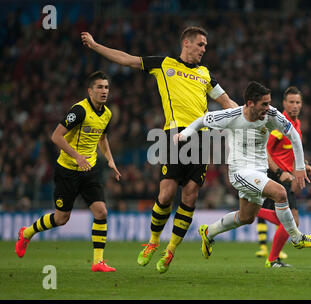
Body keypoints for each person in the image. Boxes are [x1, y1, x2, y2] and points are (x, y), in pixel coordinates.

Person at [81, 26, 238, 273]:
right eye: (200, 45)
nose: (204, 49)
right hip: (174, 135)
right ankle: (153, 242)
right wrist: (96, 45)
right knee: (165, 195)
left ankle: (171, 250)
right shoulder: (164, 64)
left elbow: (228, 103)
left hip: (202, 137)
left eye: (205, 46)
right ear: (186, 43)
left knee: (191, 194)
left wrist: (251, 118)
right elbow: (127, 59)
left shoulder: (205, 74)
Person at [174, 81, 311, 262]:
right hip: (240, 172)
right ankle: (297, 238)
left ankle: (208, 231)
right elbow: (201, 121)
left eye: (269, 103)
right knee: (280, 193)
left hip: (259, 171)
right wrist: (184, 134)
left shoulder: (271, 115)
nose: (268, 108)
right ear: (250, 103)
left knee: (246, 217)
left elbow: (293, 135)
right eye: (264, 104)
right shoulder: (232, 116)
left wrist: (300, 167)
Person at [15, 71, 121, 272]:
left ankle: (98, 262)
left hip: (89, 170)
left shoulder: (107, 113)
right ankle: (27, 233)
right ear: (90, 91)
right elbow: (56, 136)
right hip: (68, 171)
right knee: (62, 218)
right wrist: (77, 156)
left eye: (106, 87)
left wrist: (110, 160)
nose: (104, 91)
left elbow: (102, 138)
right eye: (99, 87)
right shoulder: (79, 111)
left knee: (101, 212)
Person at [256, 86, 311, 268]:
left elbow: (287, 153)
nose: (295, 106)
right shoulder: (279, 124)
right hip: (275, 177)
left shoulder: (296, 124)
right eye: (291, 102)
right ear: (284, 103)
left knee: (288, 220)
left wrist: (303, 166)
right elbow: (264, 150)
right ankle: (273, 259)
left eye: (298, 102)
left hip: (286, 177)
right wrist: (278, 172)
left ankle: (273, 259)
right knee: (292, 220)